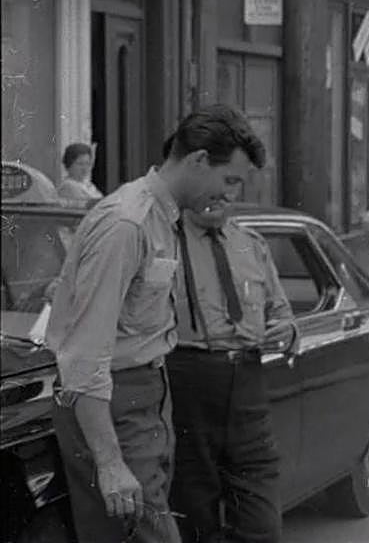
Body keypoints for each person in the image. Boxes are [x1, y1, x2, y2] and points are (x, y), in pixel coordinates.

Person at [46, 105, 265, 543]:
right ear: (199, 160)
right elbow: (83, 355)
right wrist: (109, 463)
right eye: (230, 180)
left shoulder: (162, 218)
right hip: (112, 403)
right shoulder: (127, 224)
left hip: (144, 396)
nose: (230, 195)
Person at [167, 172, 296, 543]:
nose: (220, 194)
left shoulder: (250, 244)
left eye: (230, 185)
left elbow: (281, 312)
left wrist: (286, 331)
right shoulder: (161, 244)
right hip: (186, 383)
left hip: (247, 385)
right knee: (193, 514)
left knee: (260, 522)